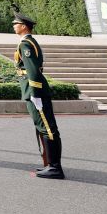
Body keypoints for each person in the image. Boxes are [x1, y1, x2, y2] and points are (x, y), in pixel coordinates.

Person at [12, 12, 64, 179]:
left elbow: (33, 70)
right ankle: (50, 164)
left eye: (16, 23)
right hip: (33, 90)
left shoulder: (26, 44)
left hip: (35, 91)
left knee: (47, 128)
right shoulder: (28, 42)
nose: (14, 26)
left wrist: (34, 93)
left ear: (24, 26)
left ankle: (55, 167)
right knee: (43, 127)